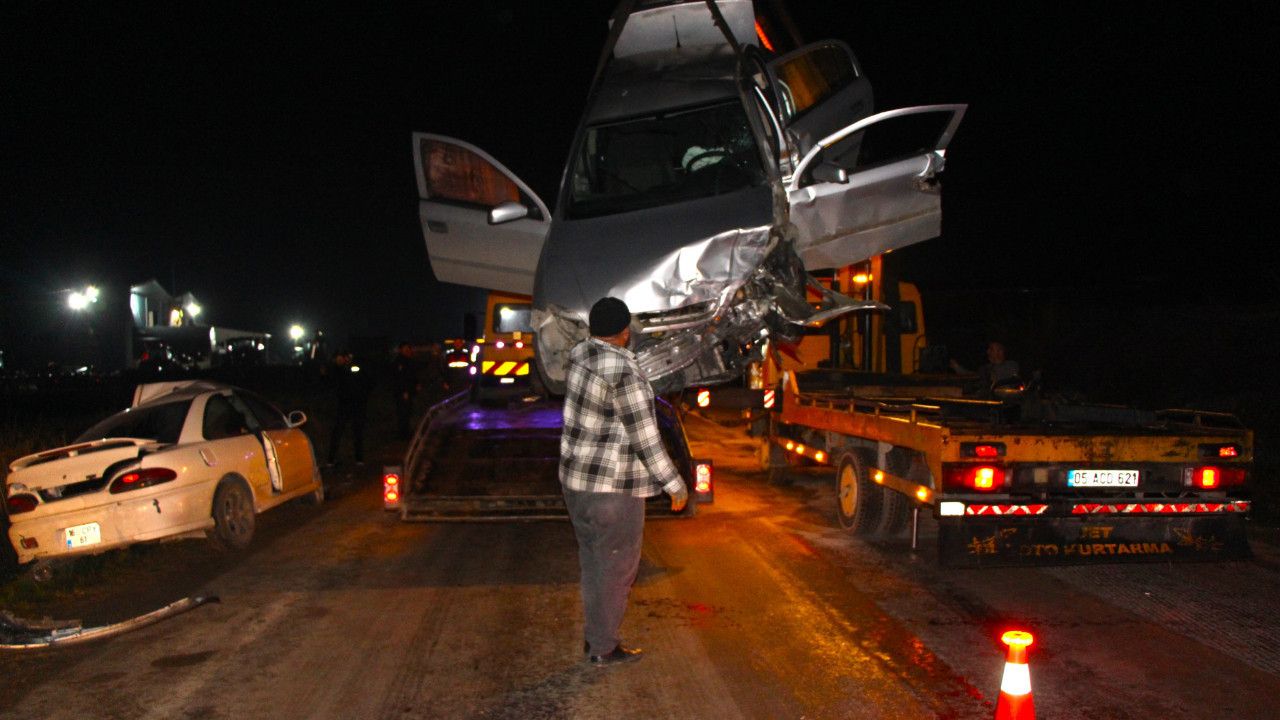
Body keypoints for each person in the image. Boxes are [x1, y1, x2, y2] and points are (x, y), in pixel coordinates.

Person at [559, 297, 689, 668]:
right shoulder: (623, 373)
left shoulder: (580, 356)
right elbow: (645, 438)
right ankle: (603, 647)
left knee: (594, 563)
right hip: (613, 491)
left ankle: (595, 637)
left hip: (576, 485)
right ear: (625, 332)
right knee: (616, 570)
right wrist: (674, 484)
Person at [325, 349, 372, 465]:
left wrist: (363, 397)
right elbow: (330, 383)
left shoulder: (355, 367)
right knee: (337, 432)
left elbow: (365, 380)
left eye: (341, 359)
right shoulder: (336, 370)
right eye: (337, 359)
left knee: (358, 432)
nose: (339, 361)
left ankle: (359, 458)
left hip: (358, 404)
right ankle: (331, 459)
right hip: (343, 405)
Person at [950, 341, 1020, 394]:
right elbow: (973, 376)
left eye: (991, 349)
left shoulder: (1011, 366)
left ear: (1000, 352)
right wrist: (957, 367)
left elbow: (999, 379)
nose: (988, 352)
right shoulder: (987, 368)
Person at [391, 342, 421, 440]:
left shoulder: (410, 361)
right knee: (403, 413)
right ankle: (402, 434)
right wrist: (403, 391)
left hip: (409, 391)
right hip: (402, 392)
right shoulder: (399, 362)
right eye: (405, 348)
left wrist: (417, 384)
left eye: (408, 348)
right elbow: (399, 378)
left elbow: (413, 375)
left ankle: (406, 432)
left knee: (408, 412)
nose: (407, 350)